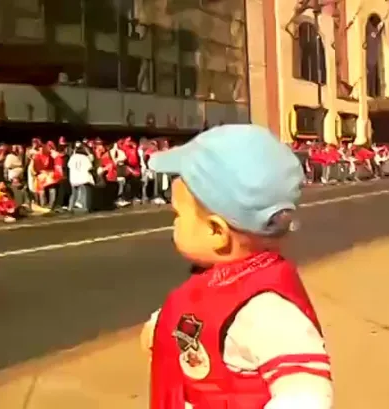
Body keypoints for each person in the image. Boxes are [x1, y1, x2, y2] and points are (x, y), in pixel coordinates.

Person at [141, 125, 332, 409]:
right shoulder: (221, 281)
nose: (175, 224)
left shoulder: (265, 312)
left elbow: (306, 396)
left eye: (178, 215)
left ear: (217, 232)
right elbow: (199, 314)